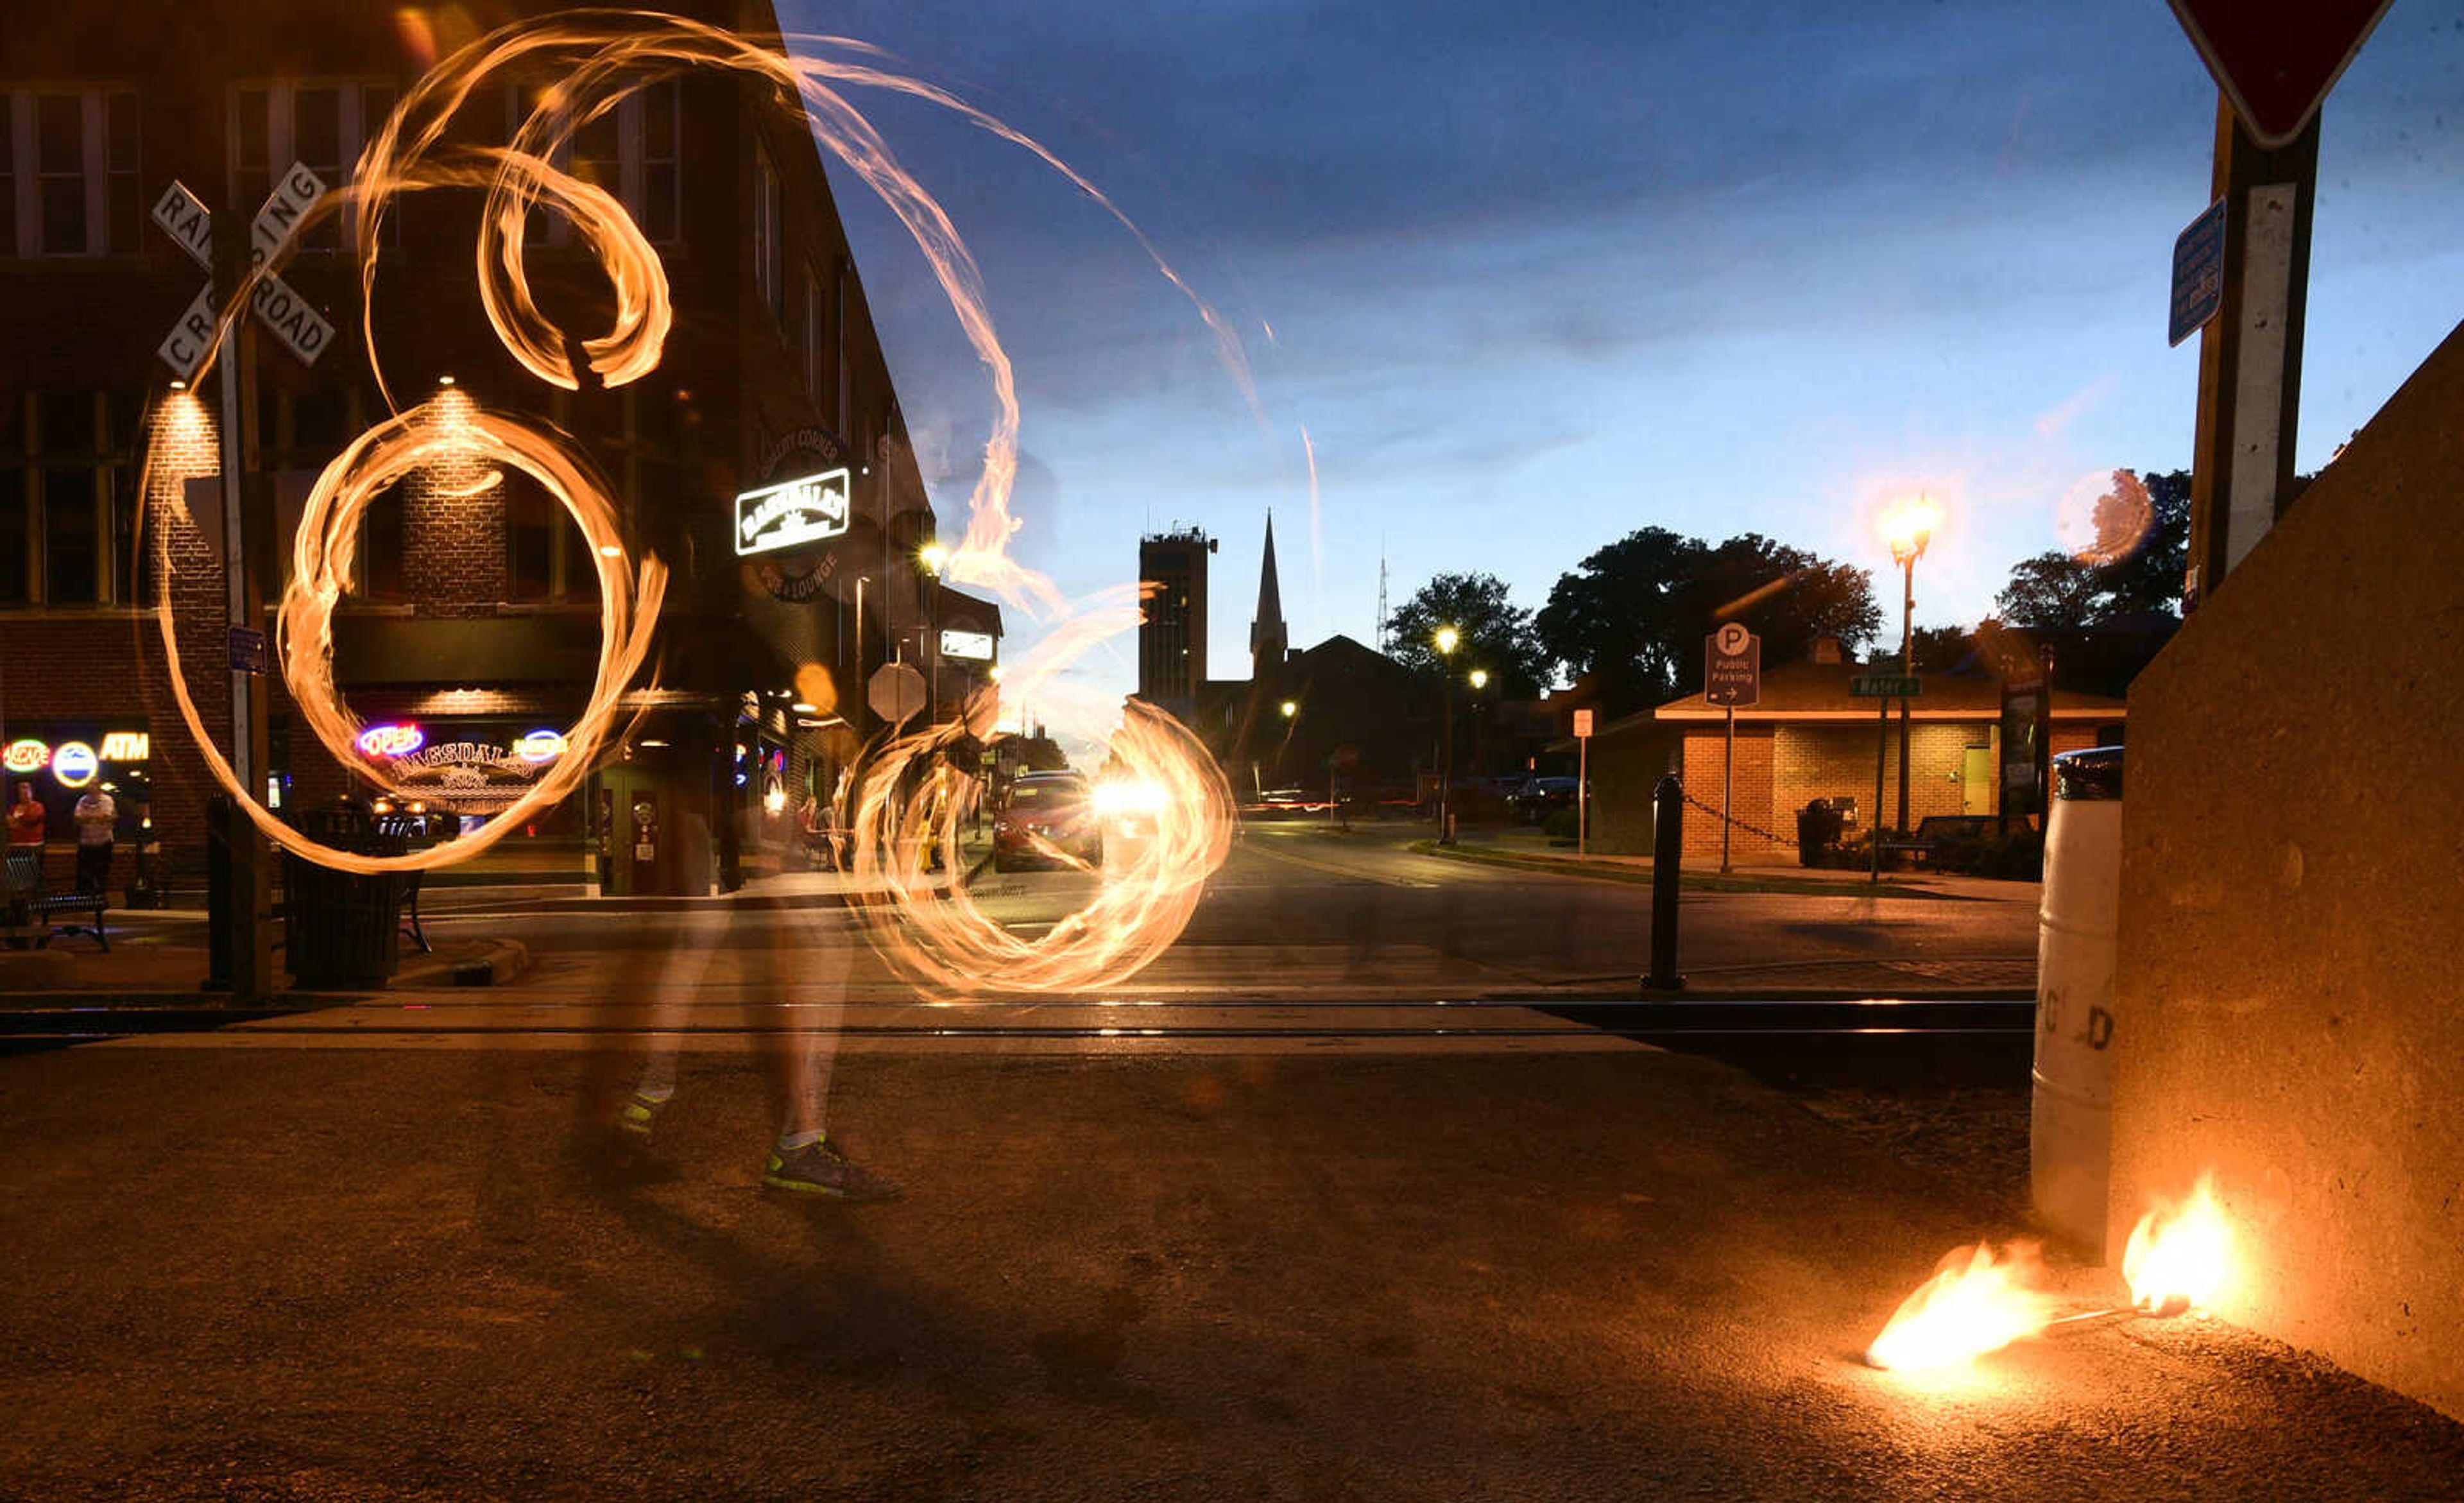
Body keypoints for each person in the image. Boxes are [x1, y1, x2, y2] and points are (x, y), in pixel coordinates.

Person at [73, 785, 116, 895]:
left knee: (102, 873)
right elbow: (77, 819)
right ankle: (85, 899)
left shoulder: (106, 800)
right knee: (84, 874)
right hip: (86, 842)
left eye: (93, 787)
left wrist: (87, 817)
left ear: (98, 788)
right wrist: (96, 817)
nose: (91, 790)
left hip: (103, 842)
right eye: (89, 788)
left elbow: (106, 817)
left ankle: (100, 898)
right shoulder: (82, 801)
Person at [7, 782, 44, 848]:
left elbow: (30, 819)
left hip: (33, 845)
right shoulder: (13, 808)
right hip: (15, 845)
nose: (25, 791)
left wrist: (16, 821)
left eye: (27, 788)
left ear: (32, 791)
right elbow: (7, 822)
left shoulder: (38, 806)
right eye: (22, 788)